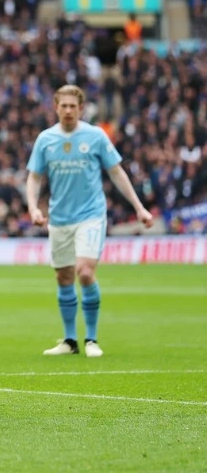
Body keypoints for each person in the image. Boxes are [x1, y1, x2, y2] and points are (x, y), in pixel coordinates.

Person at [26, 84, 153, 358]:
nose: (69, 110)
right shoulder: (45, 139)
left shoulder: (95, 136)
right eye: (64, 105)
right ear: (56, 107)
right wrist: (33, 208)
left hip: (91, 216)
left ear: (81, 109)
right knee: (64, 277)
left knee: (84, 271)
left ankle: (92, 339)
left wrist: (139, 208)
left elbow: (117, 172)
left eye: (74, 106)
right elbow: (34, 177)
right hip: (59, 219)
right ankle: (70, 341)